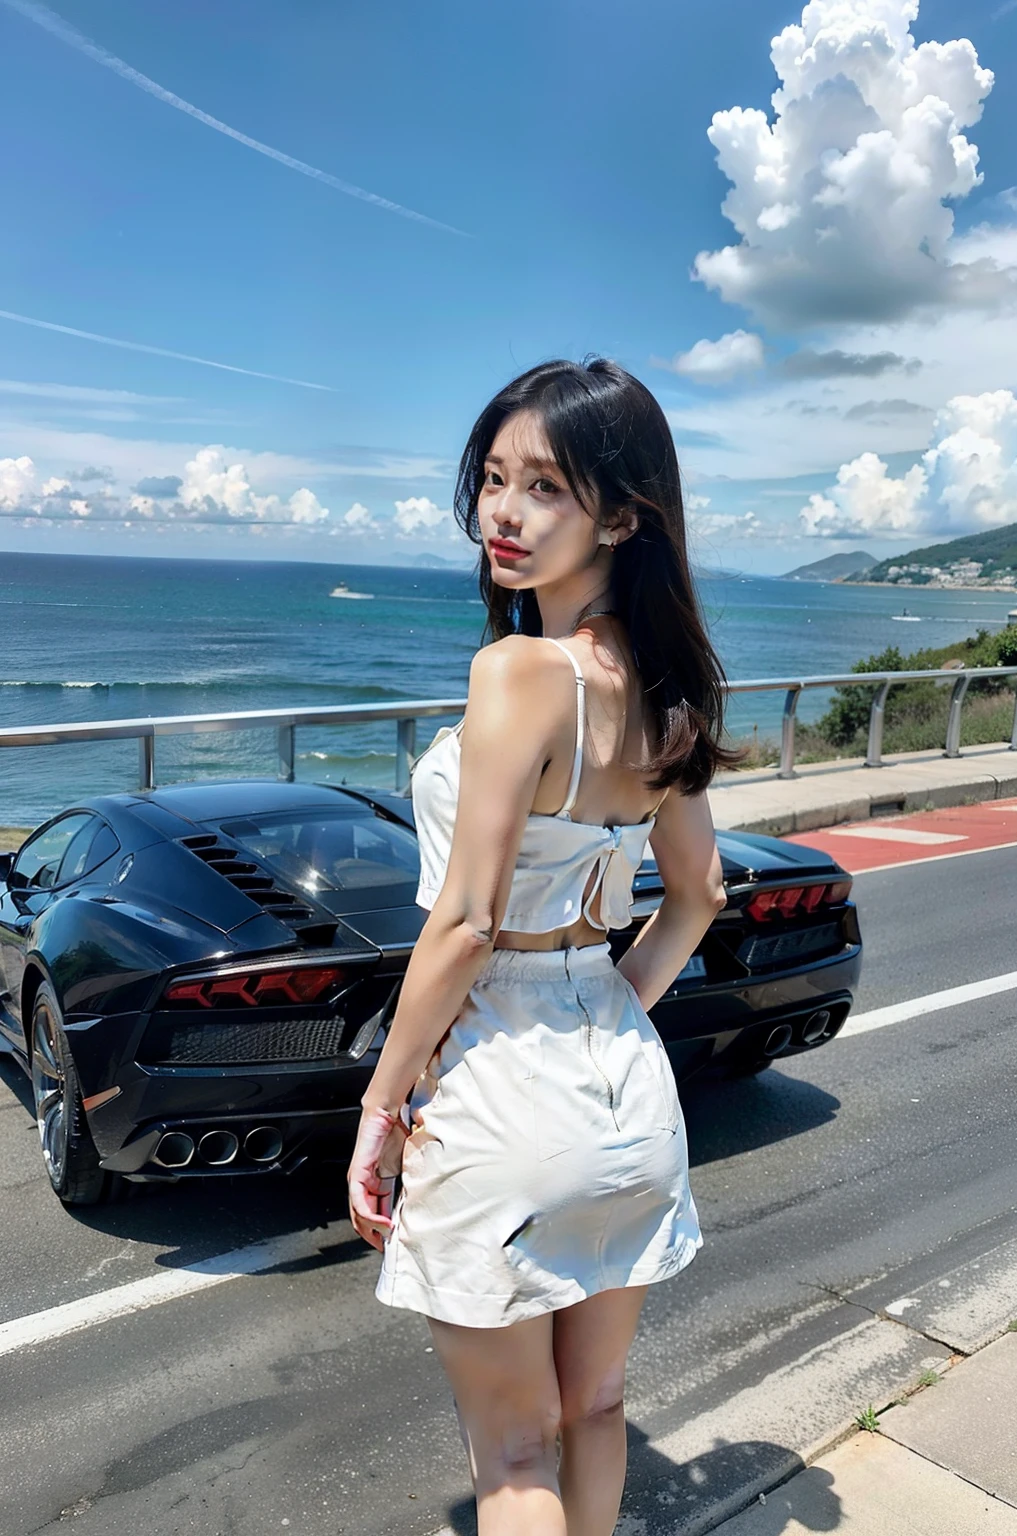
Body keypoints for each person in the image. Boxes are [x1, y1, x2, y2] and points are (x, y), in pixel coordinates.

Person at [347, 358, 735, 1535]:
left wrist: (380, 1105)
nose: (501, 515)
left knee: (515, 1452)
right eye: (493, 480)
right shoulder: (663, 684)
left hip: (504, 1092)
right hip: (623, 1085)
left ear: (621, 514)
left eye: (544, 489)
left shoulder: (519, 672)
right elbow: (700, 892)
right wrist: (601, 1002)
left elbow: (463, 924)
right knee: (597, 1407)